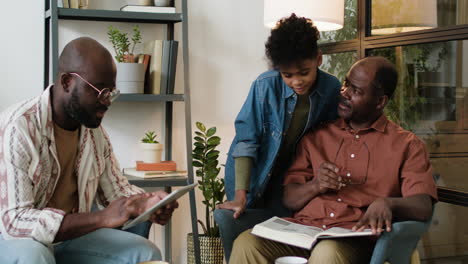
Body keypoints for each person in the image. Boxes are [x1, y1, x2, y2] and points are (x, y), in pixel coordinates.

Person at [229, 56, 438, 264]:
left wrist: (388, 204)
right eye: (346, 83)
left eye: (355, 90)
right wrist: (316, 185)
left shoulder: (407, 145)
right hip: (304, 231)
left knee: (327, 253)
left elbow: (422, 206)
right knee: (247, 243)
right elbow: (289, 199)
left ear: (380, 101)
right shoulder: (317, 136)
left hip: (354, 239)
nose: (344, 92)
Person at [0, 37, 178, 264]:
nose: (107, 101)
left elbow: (116, 190)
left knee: (145, 253)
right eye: (100, 91)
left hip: (67, 238)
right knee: (35, 257)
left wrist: (148, 203)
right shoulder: (19, 128)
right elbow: (15, 221)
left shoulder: (94, 133)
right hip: (11, 237)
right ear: (67, 82)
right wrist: (101, 218)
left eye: (111, 92)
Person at [215, 14, 341, 260]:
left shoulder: (331, 89)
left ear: (318, 59)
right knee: (247, 238)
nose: (296, 81)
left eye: (304, 72)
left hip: (292, 179)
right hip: (253, 174)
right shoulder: (264, 86)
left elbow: (331, 138)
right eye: (287, 75)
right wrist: (240, 195)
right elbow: (245, 141)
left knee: (284, 242)